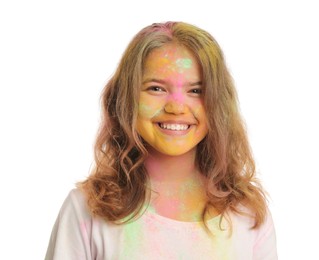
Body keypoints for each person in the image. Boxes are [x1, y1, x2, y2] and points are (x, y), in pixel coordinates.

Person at [45, 21, 277, 259]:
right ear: (126, 98)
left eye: (196, 91)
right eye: (156, 88)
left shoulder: (247, 213)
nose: (176, 107)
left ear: (219, 104)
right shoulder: (87, 209)